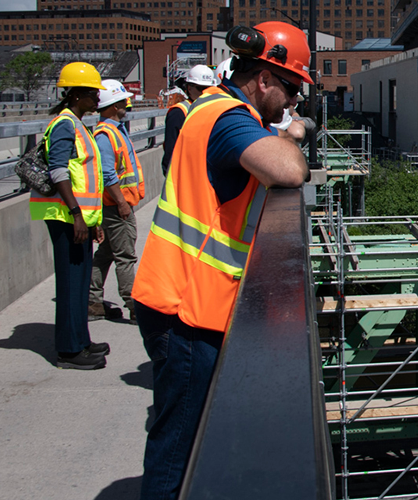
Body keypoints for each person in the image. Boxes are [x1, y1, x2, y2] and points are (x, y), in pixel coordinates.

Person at [131, 21, 310, 499]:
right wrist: (291, 137)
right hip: (185, 307)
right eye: (291, 88)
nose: (294, 102)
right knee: (179, 449)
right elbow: (289, 170)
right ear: (265, 78)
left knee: (182, 437)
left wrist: (280, 129)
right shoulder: (229, 118)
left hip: (180, 298)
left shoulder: (212, 108)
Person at [32, 62, 109, 370]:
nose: (97, 98)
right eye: (92, 93)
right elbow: (59, 171)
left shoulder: (78, 124)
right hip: (66, 217)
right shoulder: (64, 125)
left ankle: (81, 339)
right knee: (69, 282)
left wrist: (94, 220)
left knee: (80, 281)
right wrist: (77, 214)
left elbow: (87, 177)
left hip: (80, 218)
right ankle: (68, 350)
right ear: (76, 95)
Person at [88, 80, 144, 323]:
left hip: (117, 203)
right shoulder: (105, 135)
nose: (126, 104)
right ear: (112, 105)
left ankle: (92, 302)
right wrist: (121, 202)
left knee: (106, 253)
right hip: (116, 205)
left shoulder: (115, 130)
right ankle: (133, 304)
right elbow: (108, 173)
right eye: (122, 101)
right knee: (125, 256)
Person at [160, 65, 217, 175]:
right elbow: (171, 150)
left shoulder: (212, 109)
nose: (205, 92)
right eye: (201, 88)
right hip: (184, 174)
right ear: (189, 88)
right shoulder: (179, 112)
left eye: (208, 88)